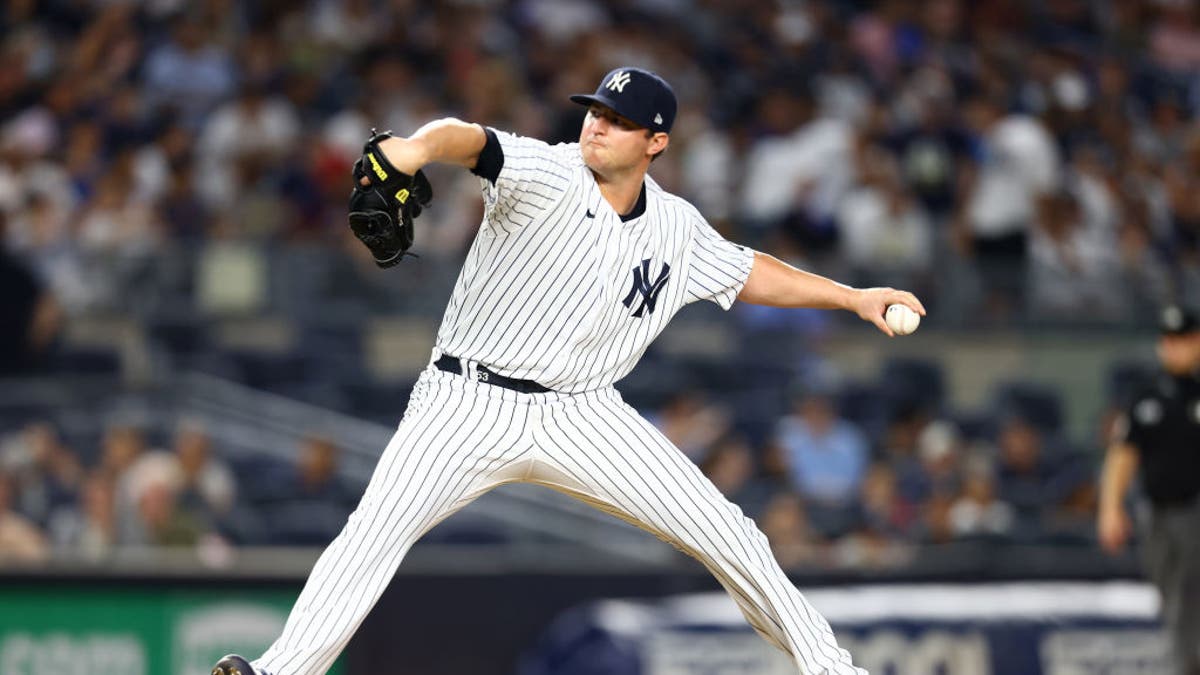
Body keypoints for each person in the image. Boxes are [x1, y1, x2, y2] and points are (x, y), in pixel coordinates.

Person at [214, 67, 924, 675]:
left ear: (656, 141)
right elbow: (471, 139)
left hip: (582, 410)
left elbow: (750, 273)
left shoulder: (677, 228)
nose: (596, 127)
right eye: (595, 113)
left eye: (618, 121)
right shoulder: (547, 170)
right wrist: (413, 147)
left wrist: (855, 296)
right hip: (467, 400)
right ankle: (278, 669)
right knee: (375, 530)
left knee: (732, 533)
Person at [1098, 304, 1200, 675]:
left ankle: (1185, 665)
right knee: (1171, 595)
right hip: (1155, 513)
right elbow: (1123, 454)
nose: (1174, 347)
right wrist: (1110, 507)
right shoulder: (1147, 394)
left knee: (1188, 597)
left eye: (1182, 340)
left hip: (1196, 510)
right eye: (1168, 340)